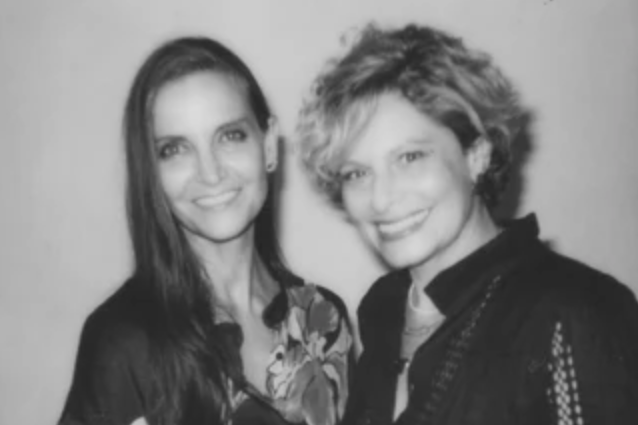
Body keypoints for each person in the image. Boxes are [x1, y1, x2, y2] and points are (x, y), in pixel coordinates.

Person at [297, 23, 638, 425]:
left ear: (477, 154)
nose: (381, 198)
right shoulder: (383, 307)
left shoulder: (573, 311)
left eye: (410, 157)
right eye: (356, 173)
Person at [59, 36, 352, 425]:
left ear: (267, 146)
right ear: (152, 172)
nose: (210, 173)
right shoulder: (124, 342)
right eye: (174, 149)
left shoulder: (324, 318)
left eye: (230, 136)